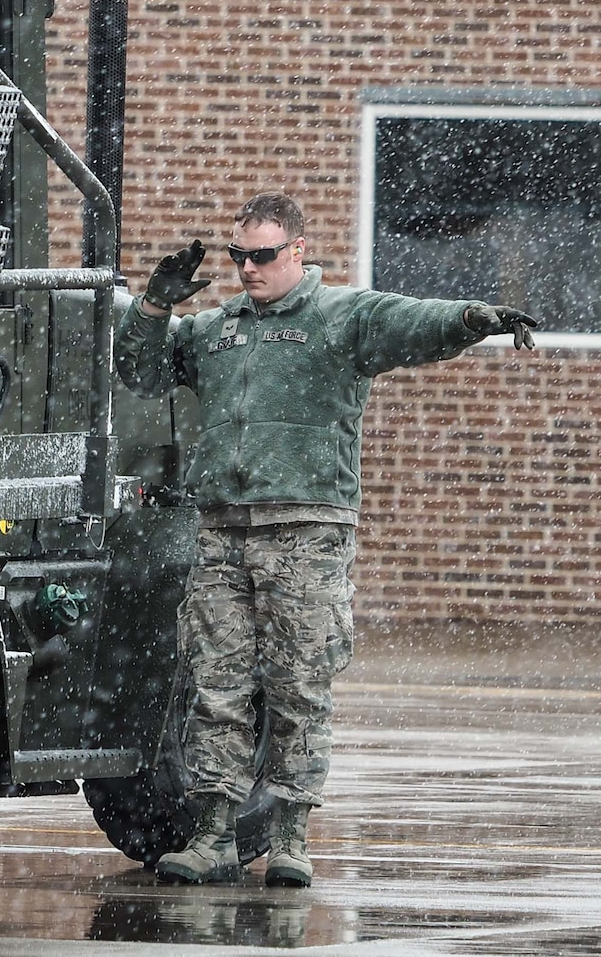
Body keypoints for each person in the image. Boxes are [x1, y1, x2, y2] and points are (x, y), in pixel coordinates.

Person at [116, 191, 538, 889]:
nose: (248, 268)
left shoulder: (341, 318)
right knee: (216, 690)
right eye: (238, 256)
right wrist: (157, 304)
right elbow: (138, 370)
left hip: (306, 531)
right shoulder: (216, 331)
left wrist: (475, 319)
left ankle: (290, 838)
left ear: (298, 252)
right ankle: (214, 835)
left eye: (263, 255)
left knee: (297, 689)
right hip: (224, 529)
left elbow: (413, 323)